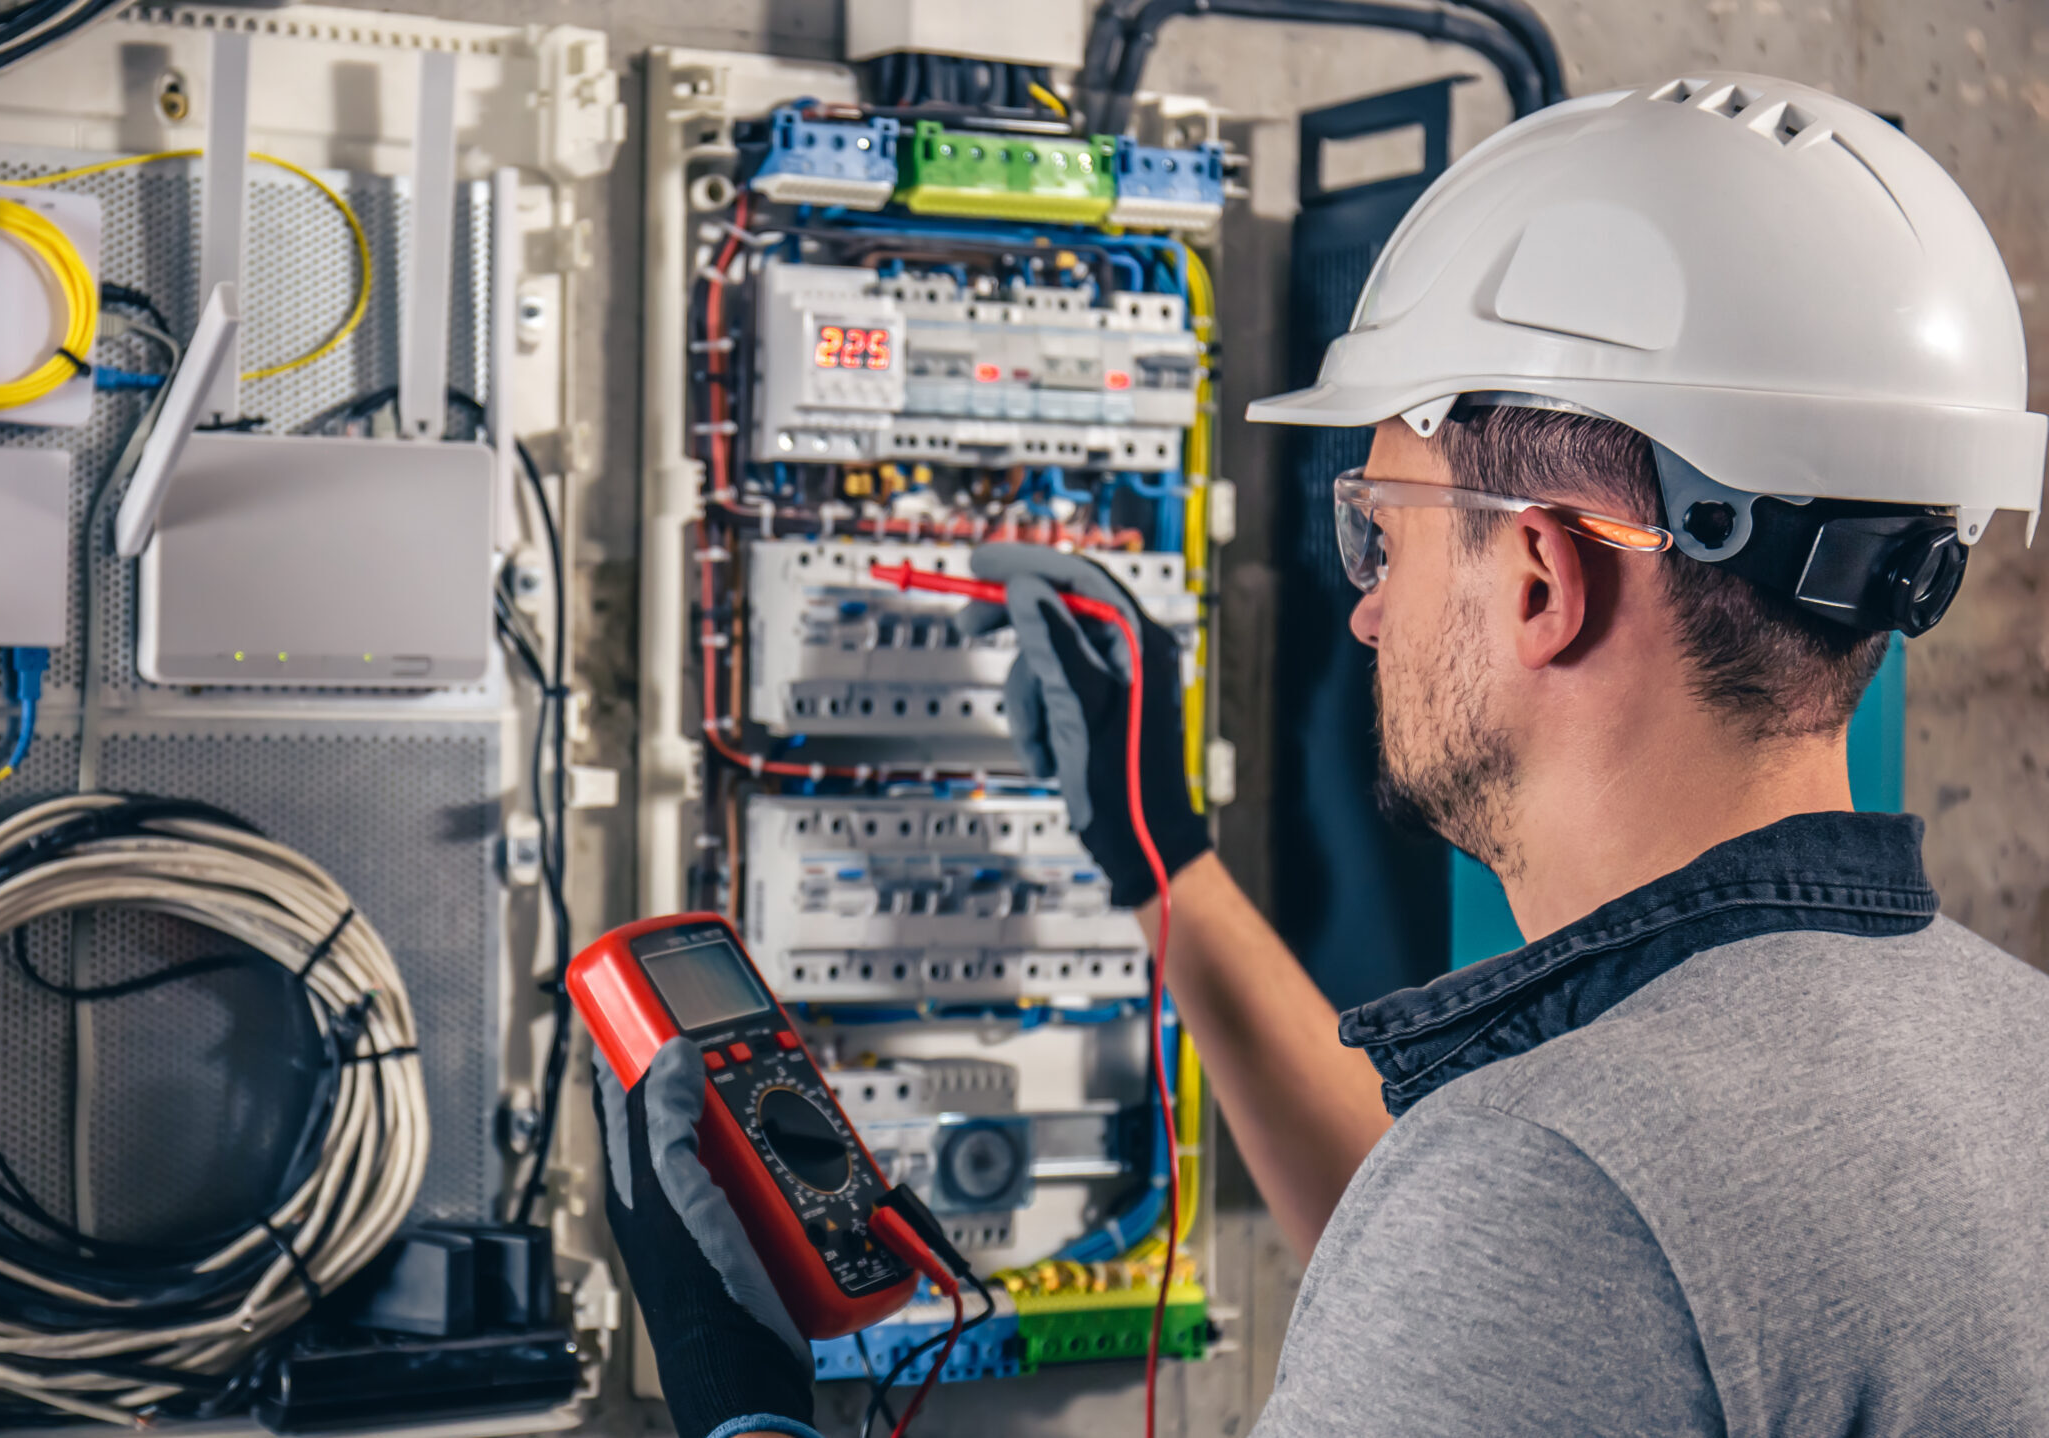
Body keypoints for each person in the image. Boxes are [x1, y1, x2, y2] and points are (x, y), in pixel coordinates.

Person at [597, 71, 2049, 1438]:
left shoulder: (1551, 1197)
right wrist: (1163, 865)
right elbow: (1539, 1303)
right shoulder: (2004, 1057)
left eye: (1384, 527)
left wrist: (749, 1409)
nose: (1365, 607)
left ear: (1542, 581)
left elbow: (1540, 1258)